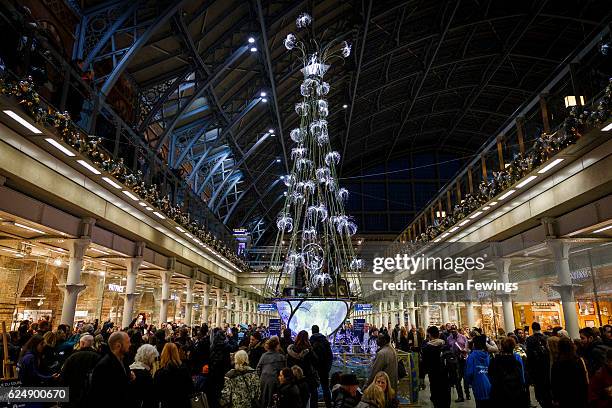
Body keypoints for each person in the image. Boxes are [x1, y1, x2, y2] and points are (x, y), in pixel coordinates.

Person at [90, 331, 132, 407]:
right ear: (118, 345)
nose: (130, 345)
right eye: (128, 342)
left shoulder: (123, 360)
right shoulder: (104, 366)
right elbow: (100, 395)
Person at [60, 334, 100, 408]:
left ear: (82, 343)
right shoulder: (98, 357)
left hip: (73, 392)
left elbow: (64, 375)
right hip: (90, 394)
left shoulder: (73, 356)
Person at [154, 342, 195, 408]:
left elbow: (157, 394)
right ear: (177, 353)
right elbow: (191, 389)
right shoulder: (184, 370)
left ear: (163, 354)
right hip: (183, 404)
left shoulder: (159, 373)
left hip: (167, 404)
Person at [551, 337, 588, 408]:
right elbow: (583, 379)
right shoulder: (579, 361)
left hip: (564, 396)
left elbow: (555, 383)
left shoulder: (557, 364)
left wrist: (555, 398)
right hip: (579, 394)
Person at [487, 336, 525, 407]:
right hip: (515, 394)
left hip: (499, 394)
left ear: (502, 347)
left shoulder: (494, 361)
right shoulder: (516, 362)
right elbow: (521, 379)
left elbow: (490, 377)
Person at [420, 326, 451, 408]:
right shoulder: (445, 345)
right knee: (445, 396)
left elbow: (424, 364)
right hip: (445, 375)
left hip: (433, 375)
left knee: (436, 397)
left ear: (429, 335)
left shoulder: (427, 348)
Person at [287, 330, 319, 408]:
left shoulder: (291, 350)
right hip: (307, 377)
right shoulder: (308, 349)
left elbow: (288, 364)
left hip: (295, 377)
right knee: (310, 398)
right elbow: (316, 361)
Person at [525, 322, 552, 408]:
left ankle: (543, 401)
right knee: (547, 387)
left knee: (539, 388)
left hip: (536, 368)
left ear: (532, 329)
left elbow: (529, 355)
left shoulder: (530, 339)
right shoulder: (546, 338)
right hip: (547, 366)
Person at [257, 335, 287, 408]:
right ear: (277, 346)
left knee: (264, 399)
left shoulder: (263, 356)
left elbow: (258, 368)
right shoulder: (281, 357)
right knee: (273, 401)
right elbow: (284, 371)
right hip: (275, 381)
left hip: (263, 380)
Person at [464, 335, 491, 408]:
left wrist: (469, 382)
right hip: (489, 385)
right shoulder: (487, 355)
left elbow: (469, 373)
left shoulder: (472, 356)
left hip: (477, 385)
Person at [311, 325, 334, 408]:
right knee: (326, 388)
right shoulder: (325, 341)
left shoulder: (311, 341)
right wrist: (327, 368)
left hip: (314, 370)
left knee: (314, 389)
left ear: (312, 331)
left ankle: (314, 406)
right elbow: (330, 356)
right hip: (324, 369)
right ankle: (328, 405)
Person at [129, 344, 159, 408]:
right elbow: (150, 399)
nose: (154, 360)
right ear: (149, 357)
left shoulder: (131, 367)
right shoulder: (145, 374)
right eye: (154, 358)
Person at [208, 330, 233, 408]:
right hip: (224, 369)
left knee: (215, 387)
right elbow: (234, 347)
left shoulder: (213, 344)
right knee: (222, 387)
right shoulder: (226, 345)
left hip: (214, 368)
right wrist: (230, 338)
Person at [446, 324, 469, 402]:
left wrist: (464, 350)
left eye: (454, 331)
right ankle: (460, 396)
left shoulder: (463, 337)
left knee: (465, 377)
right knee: (457, 379)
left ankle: (467, 393)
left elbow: (467, 347)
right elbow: (448, 348)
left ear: (457, 330)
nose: (453, 332)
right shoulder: (449, 338)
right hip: (454, 360)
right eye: (452, 331)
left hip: (463, 359)